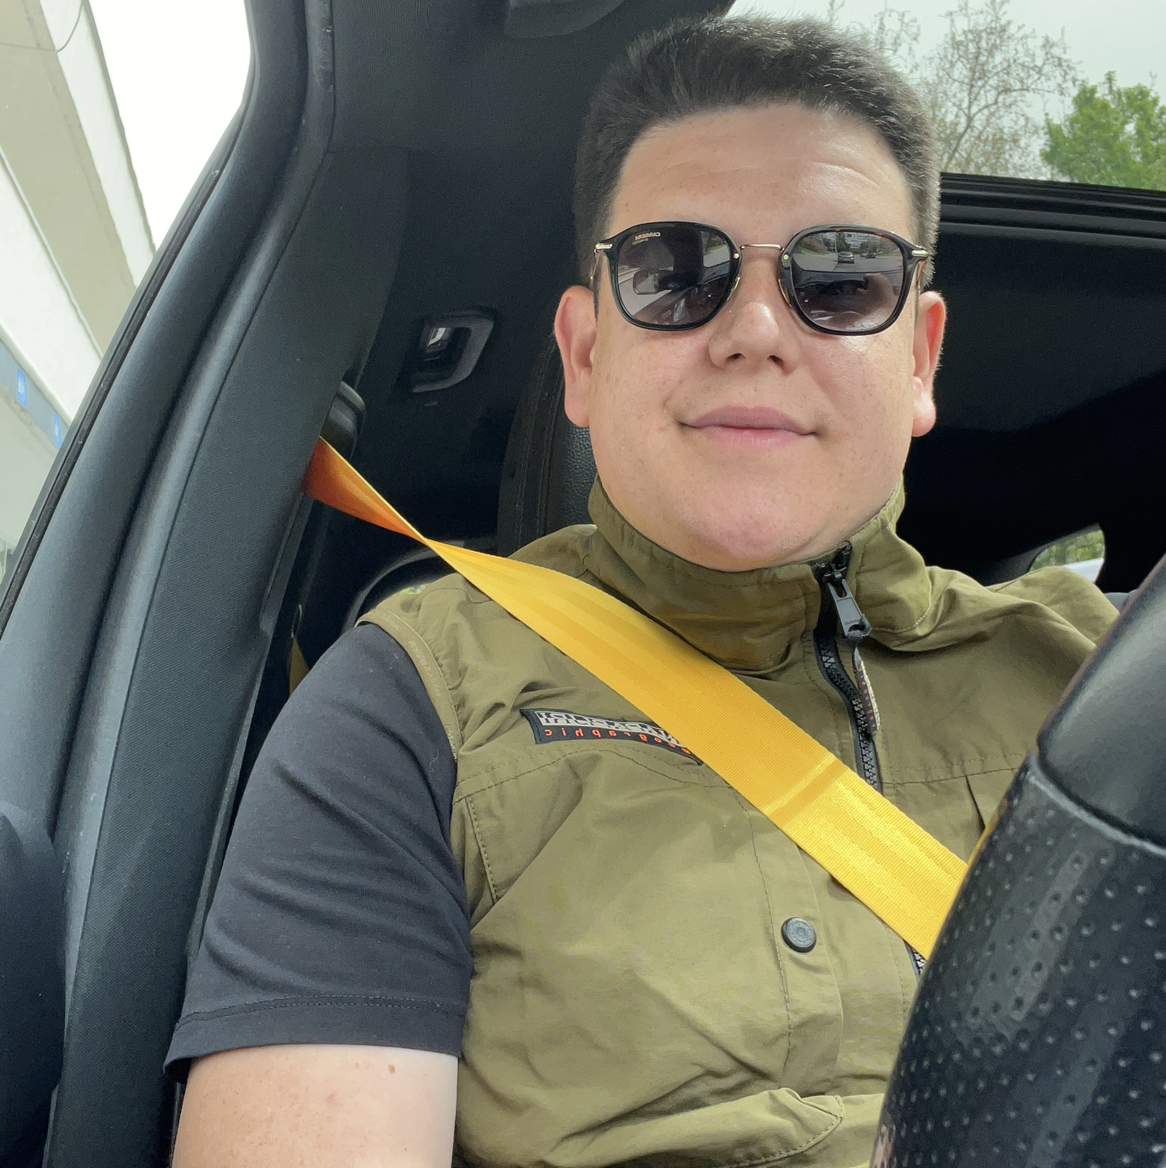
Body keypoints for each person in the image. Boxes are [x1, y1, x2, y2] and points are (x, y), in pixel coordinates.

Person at [168, 16, 1117, 1168]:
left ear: (918, 358)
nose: (754, 330)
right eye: (674, 272)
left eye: (838, 276)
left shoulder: (1106, 679)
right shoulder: (414, 701)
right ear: (583, 357)